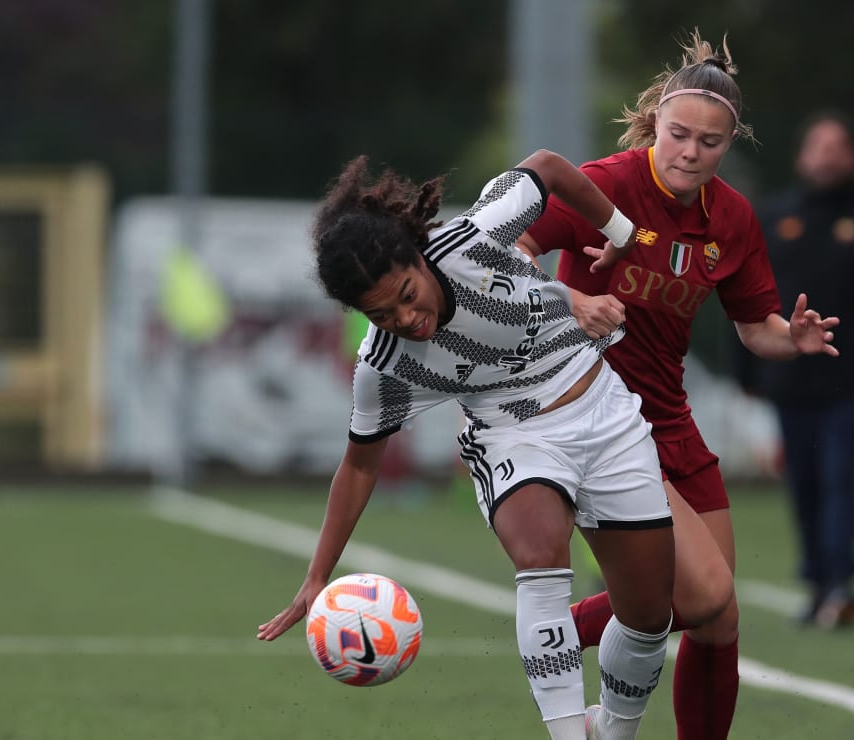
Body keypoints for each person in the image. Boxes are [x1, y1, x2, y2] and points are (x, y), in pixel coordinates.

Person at [258, 149, 684, 740]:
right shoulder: (382, 368)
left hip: (604, 411)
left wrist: (620, 233)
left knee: (647, 615)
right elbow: (358, 468)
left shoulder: (477, 236)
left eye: (407, 294)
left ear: (418, 256)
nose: (407, 318)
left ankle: (611, 730)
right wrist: (317, 574)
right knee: (539, 555)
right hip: (511, 433)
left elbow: (552, 168)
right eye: (381, 314)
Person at [519, 32, 840, 739]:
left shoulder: (731, 217)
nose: (690, 152)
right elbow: (509, 251)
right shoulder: (604, 182)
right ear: (656, 122)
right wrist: (569, 301)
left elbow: (755, 325)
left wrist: (794, 338)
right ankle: (551, 639)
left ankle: (558, 643)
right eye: (679, 134)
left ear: (731, 143)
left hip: (670, 419)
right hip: (598, 419)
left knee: (718, 617)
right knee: (698, 596)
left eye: (710, 142)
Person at [738, 111, 854, 629]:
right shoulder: (773, 217)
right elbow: (744, 301)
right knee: (805, 483)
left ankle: (840, 583)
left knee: (840, 479)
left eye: (838, 146)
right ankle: (817, 583)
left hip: (851, 384)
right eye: (817, 145)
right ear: (800, 156)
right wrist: (748, 377)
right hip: (790, 383)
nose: (827, 155)